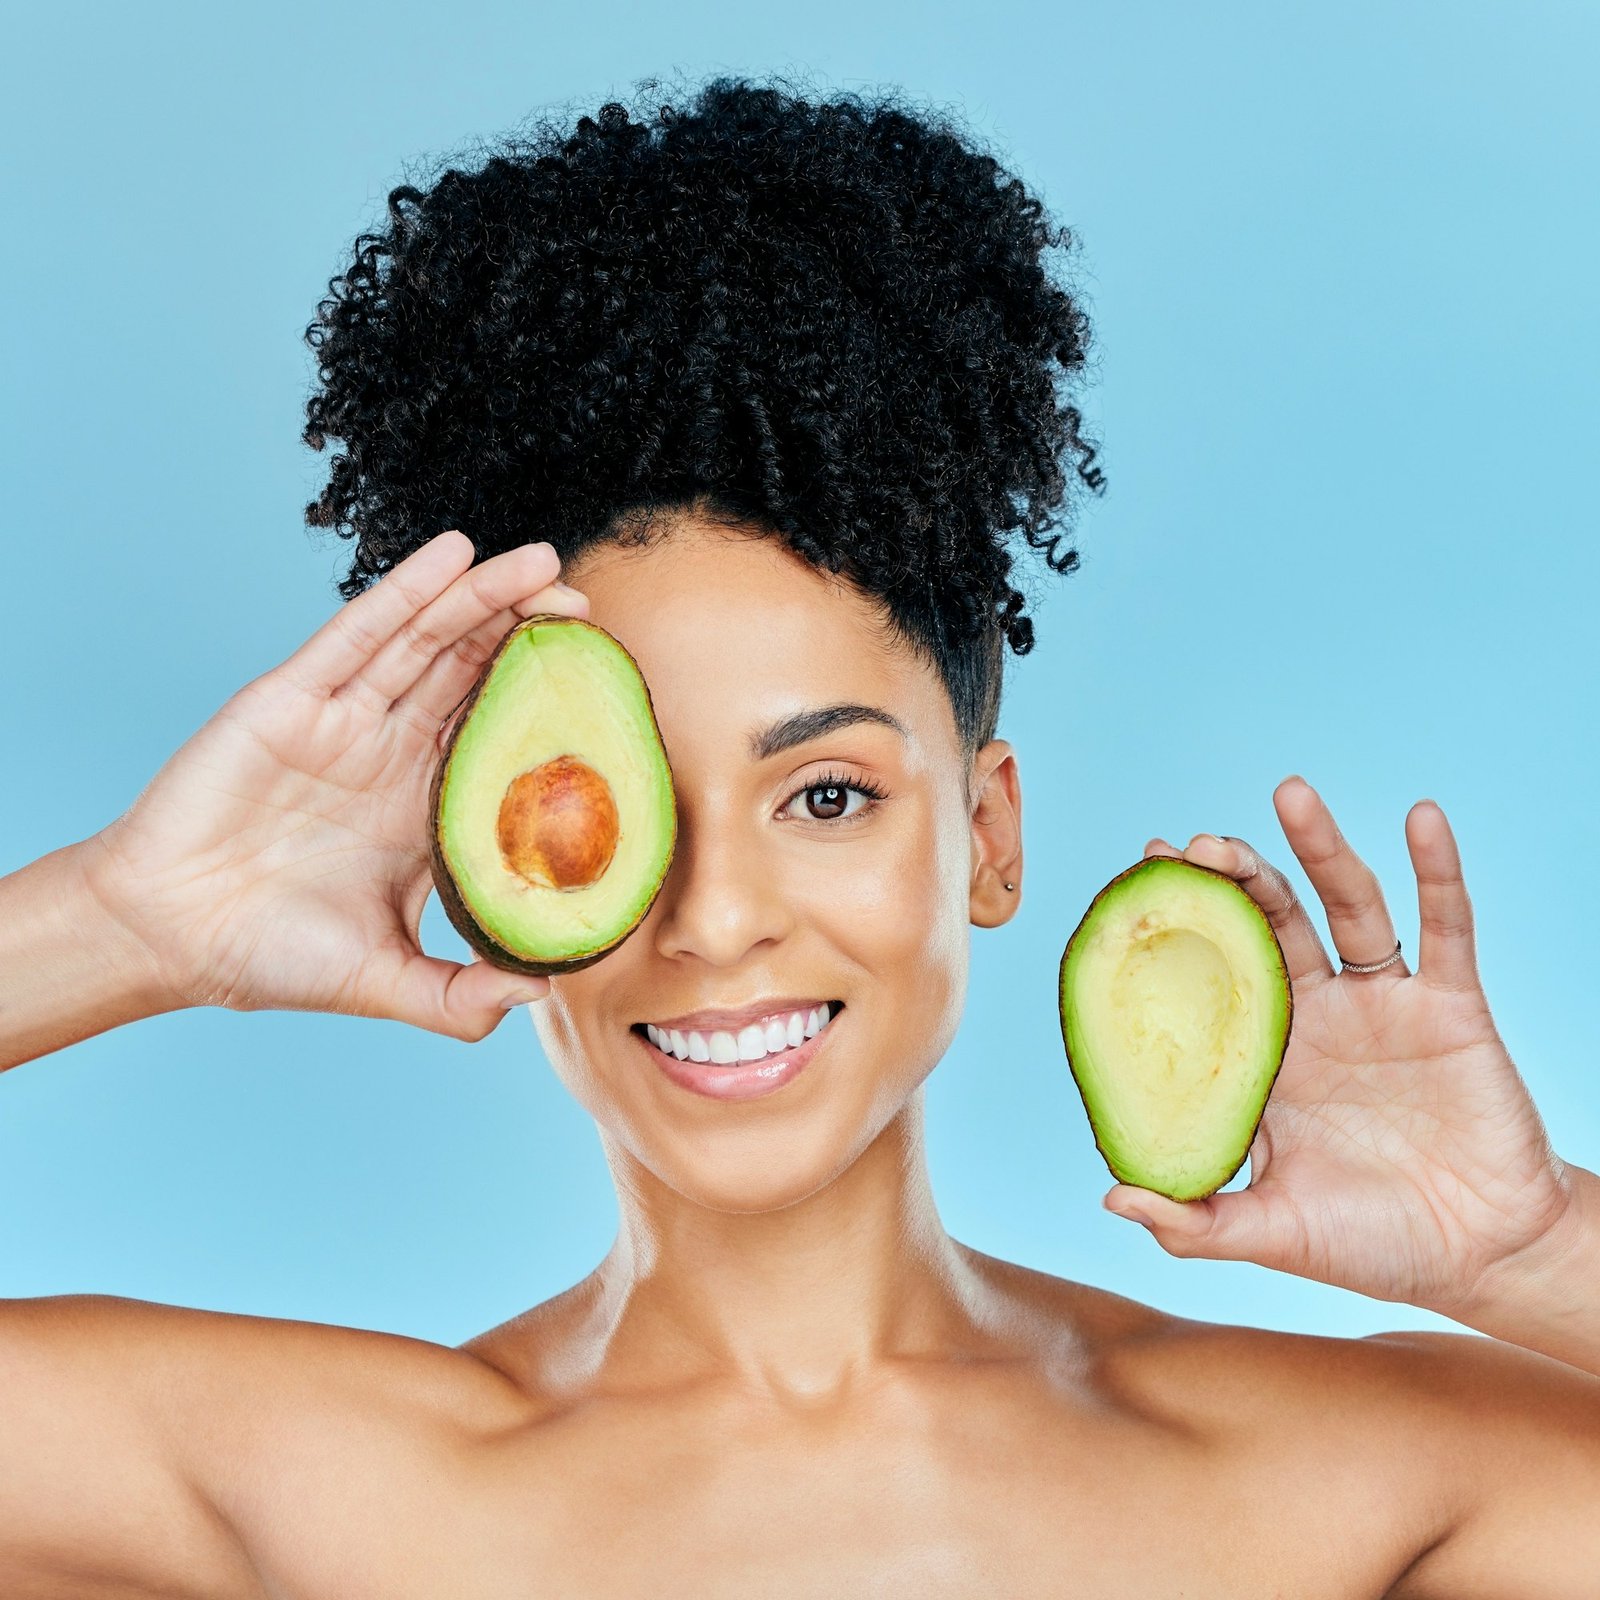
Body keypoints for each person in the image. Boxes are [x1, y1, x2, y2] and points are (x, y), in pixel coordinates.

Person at [2, 72, 1597, 1597]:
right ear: (488, 876)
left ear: (986, 838)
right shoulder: (323, 1486)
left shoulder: (1338, 1475)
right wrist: (131, 922)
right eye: (613, 812)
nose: (713, 920)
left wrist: (1526, 1250)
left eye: (825, 795)